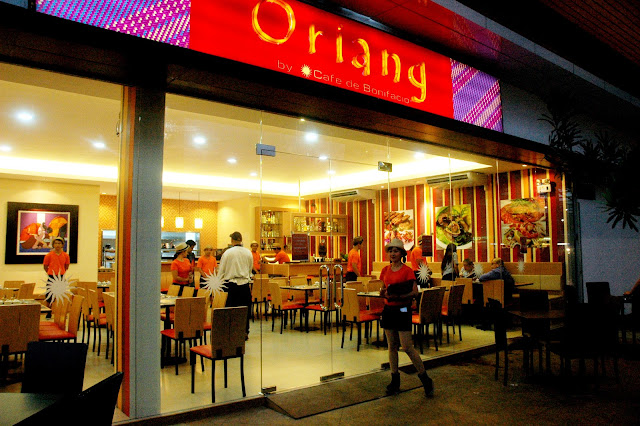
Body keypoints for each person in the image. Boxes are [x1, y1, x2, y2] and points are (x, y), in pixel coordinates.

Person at [379, 238, 434, 397]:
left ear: (401, 253)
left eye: (396, 251)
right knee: (392, 345)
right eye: (390, 251)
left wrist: (399, 296)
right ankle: (394, 379)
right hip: (389, 309)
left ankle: (425, 378)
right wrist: (384, 293)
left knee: (407, 346)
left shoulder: (407, 271)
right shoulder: (385, 270)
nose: (392, 253)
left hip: (403, 309)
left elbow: (415, 292)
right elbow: (383, 289)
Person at [217, 231, 253, 337]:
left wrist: (219, 283)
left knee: (230, 309)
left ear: (232, 240)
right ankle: (244, 331)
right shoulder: (248, 252)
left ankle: (231, 332)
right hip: (244, 285)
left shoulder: (228, 253)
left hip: (231, 285)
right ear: (241, 240)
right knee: (245, 310)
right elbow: (250, 270)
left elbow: (221, 271)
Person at [42, 236, 70, 307]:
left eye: (59, 243)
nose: (57, 245)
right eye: (56, 243)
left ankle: (60, 310)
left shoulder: (66, 255)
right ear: (53, 245)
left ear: (62, 245)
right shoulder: (48, 255)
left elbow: (66, 266)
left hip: (61, 278)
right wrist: (51, 272)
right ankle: (49, 310)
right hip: (51, 277)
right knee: (49, 295)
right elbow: (45, 266)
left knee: (61, 295)